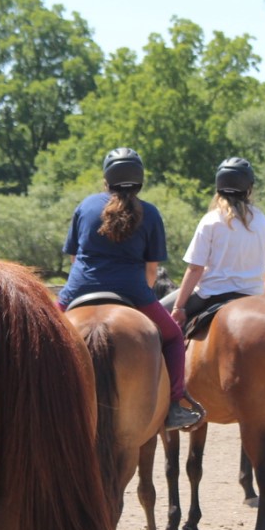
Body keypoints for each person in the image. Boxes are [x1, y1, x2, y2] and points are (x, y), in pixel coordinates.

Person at [58, 148, 204, 432]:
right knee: (174, 337)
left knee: (35, 332)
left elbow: (74, 258)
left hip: (78, 287)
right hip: (132, 289)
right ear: (140, 180)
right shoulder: (149, 213)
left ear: (106, 178)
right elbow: (152, 269)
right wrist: (144, 296)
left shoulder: (86, 206)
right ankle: (175, 406)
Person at [167, 157, 265, 324]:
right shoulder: (263, 221)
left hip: (211, 295)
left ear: (219, 187)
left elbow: (195, 269)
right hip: (254, 297)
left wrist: (178, 307)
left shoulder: (211, 220)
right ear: (249, 189)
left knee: (155, 319)